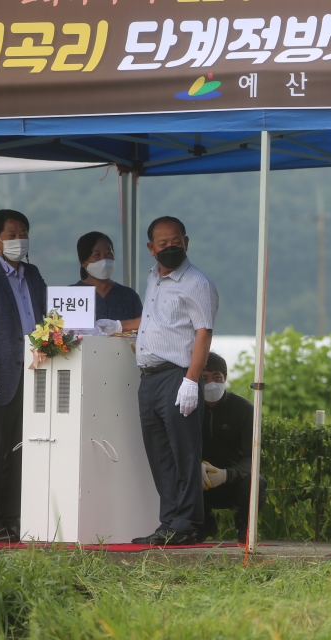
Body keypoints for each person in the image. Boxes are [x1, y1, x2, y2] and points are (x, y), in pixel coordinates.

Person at [96, 216, 218, 546]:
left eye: (176, 241)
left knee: (184, 452)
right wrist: (118, 325)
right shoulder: (154, 278)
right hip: (148, 377)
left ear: (187, 242)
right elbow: (151, 321)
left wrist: (192, 381)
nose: (170, 247)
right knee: (159, 454)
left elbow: (203, 333)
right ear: (151, 249)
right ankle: (169, 522)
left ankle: (189, 522)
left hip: (177, 376)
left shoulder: (197, 283)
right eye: (163, 243)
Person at [0, 209, 47, 544]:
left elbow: (47, 318)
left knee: (20, 451)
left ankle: (14, 517)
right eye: (12, 234)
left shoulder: (32, 274)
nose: (19, 240)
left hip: (30, 378)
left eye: (23, 233)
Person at [195, 352, 266, 545]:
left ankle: (245, 529)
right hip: (198, 481)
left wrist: (226, 474)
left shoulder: (244, 409)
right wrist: (194, 468)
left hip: (234, 481)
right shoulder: (189, 407)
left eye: (217, 377)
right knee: (171, 473)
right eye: (204, 378)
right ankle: (203, 524)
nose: (211, 383)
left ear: (225, 377)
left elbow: (253, 459)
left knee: (256, 480)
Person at [70, 231, 142, 323]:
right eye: (97, 255)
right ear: (83, 262)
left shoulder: (129, 296)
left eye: (108, 253)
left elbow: (143, 330)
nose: (104, 259)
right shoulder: (70, 295)